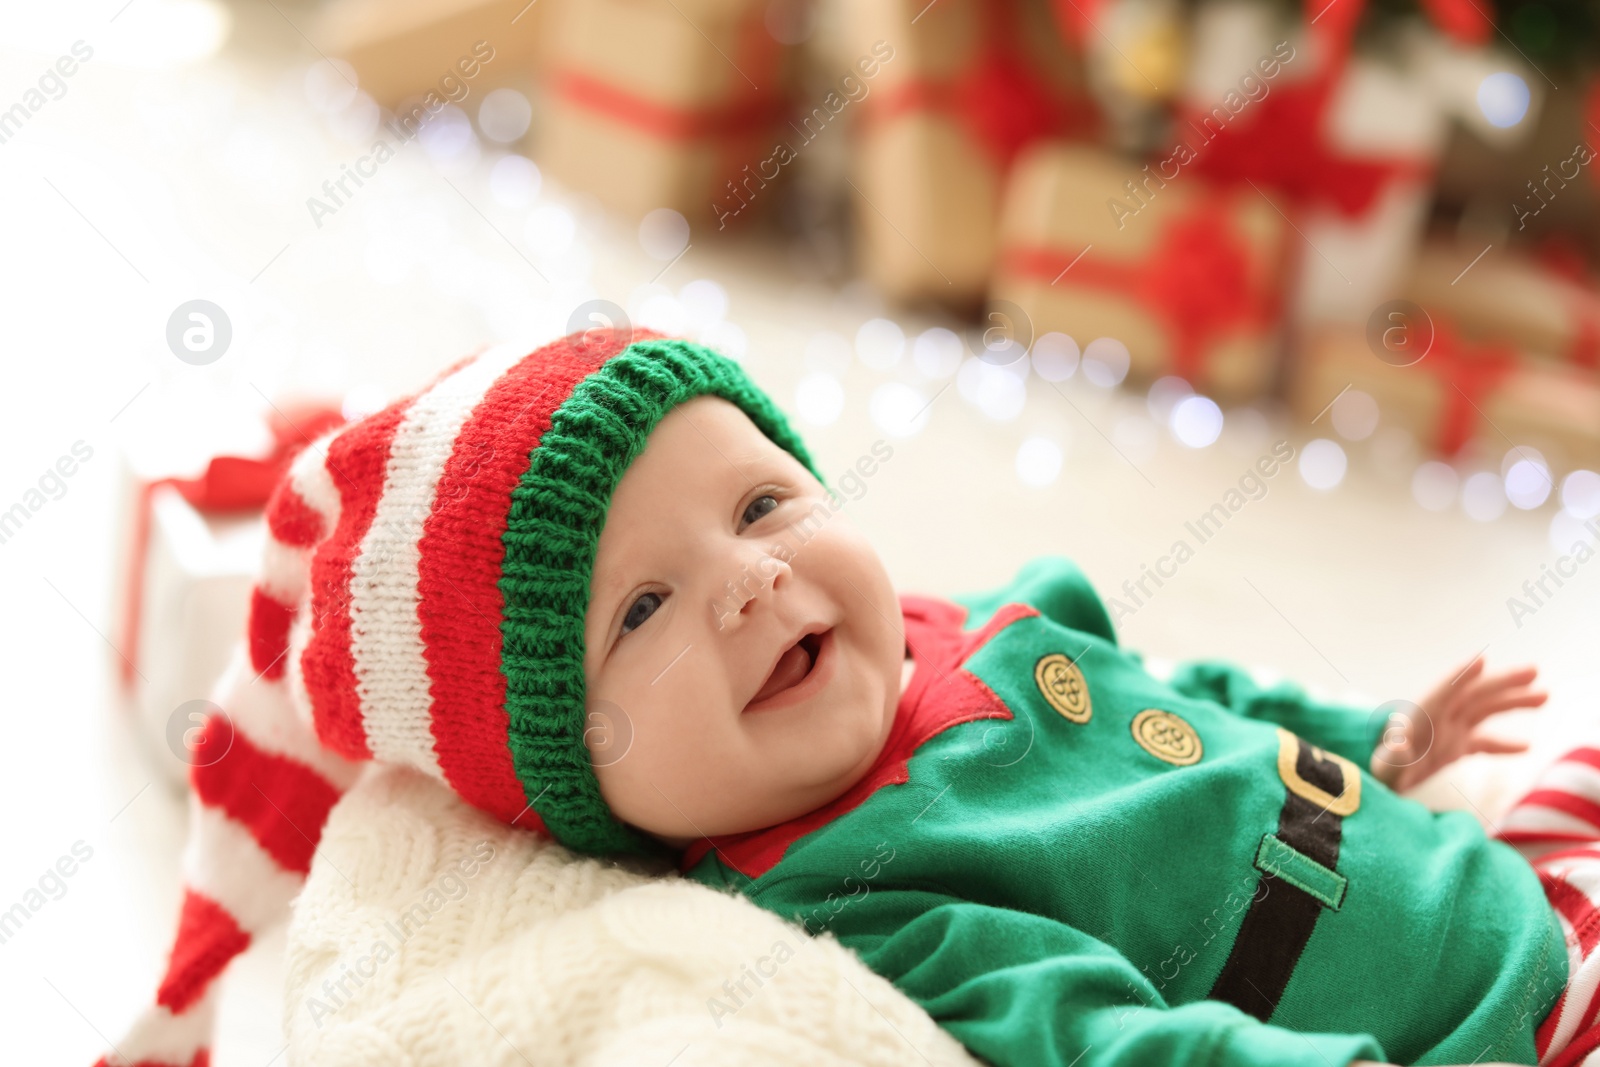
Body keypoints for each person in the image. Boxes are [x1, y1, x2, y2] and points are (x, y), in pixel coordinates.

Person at [101, 331, 1596, 1067]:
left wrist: (1373, 742)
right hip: (1486, 1020)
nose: (746, 583)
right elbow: (1100, 1037)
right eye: (640, 609)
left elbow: (1181, 696)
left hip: (1503, 857)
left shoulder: (989, 620)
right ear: (578, 785)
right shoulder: (848, 892)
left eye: (761, 506)